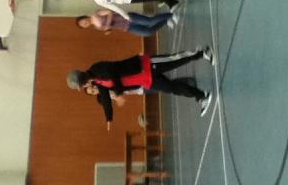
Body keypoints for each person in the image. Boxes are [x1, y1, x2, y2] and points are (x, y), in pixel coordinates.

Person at [66, 48, 215, 127]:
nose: (84, 86)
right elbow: (105, 99)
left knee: (174, 60)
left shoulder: (96, 69)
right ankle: (201, 96)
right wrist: (109, 118)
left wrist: (118, 93)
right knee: (172, 88)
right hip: (145, 80)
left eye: (81, 84)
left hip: (145, 66)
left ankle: (202, 53)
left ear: (82, 78)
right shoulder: (98, 83)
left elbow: (114, 73)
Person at [75, 10, 177, 36]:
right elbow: (109, 27)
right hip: (126, 28)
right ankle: (164, 21)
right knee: (148, 32)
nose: (84, 24)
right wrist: (108, 30)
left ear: (84, 17)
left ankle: (170, 15)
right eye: (83, 26)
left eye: (82, 22)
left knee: (149, 21)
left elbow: (109, 12)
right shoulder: (96, 27)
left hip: (127, 18)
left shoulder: (96, 14)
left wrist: (108, 23)